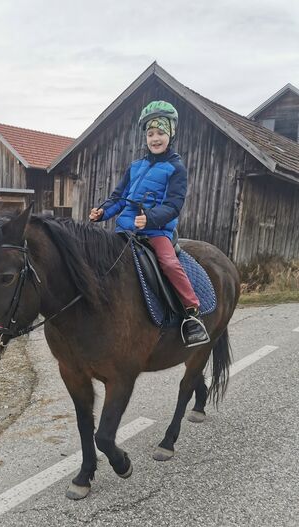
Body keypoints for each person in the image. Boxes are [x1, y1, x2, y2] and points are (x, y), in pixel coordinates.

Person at [89, 100, 209, 347]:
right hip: (125, 230)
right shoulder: (135, 166)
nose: (155, 138)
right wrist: (102, 212)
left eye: (161, 133)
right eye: (151, 133)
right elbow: (119, 198)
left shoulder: (176, 168)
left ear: (171, 133)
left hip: (156, 231)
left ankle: (192, 313)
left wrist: (151, 218)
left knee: (169, 263)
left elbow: (174, 204)